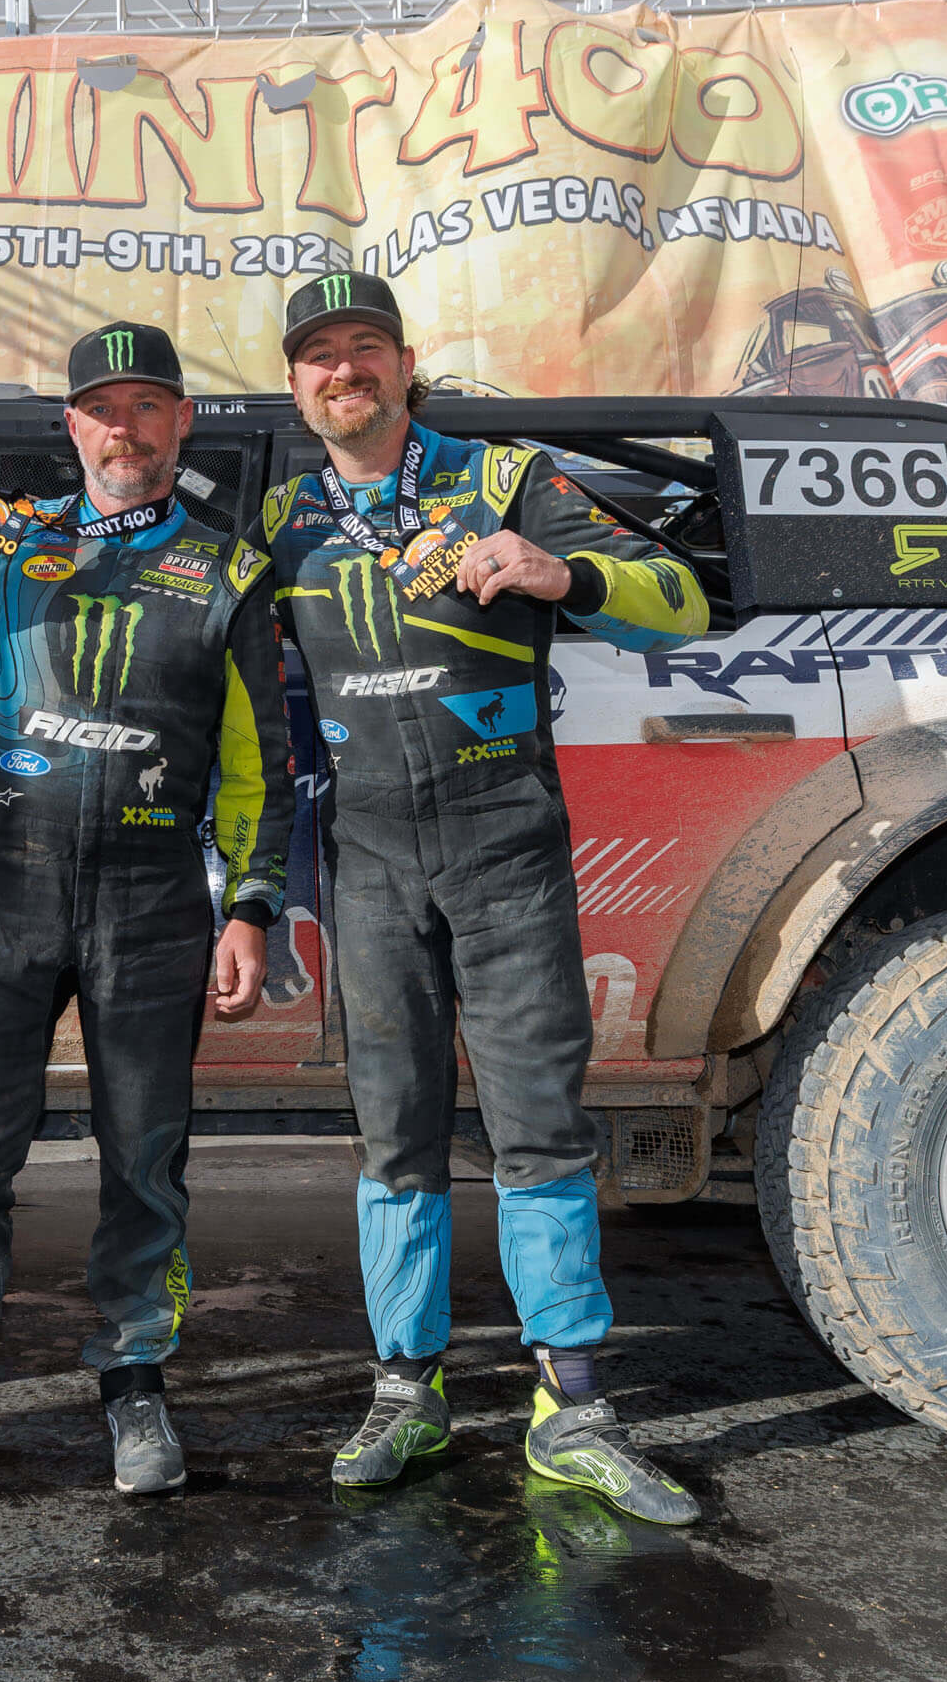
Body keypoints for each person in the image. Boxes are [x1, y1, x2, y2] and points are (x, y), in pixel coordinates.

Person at [258, 270, 714, 1525]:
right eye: (317, 356)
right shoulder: (283, 518)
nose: (341, 370)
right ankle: (407, 1390)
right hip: (368, 861)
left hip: (504, 847)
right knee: (394, 1135)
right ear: (297, 385)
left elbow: (681, 601)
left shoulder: (503, 481)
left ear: (405, 365)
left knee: (537, 1128)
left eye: (363, 349)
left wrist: (558, 574)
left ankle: (576, 1407)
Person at [0, 322, 294, 1526]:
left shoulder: (230, 568)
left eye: (148, 406)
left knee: (145, 1162)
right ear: (72, 427)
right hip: (3, 893)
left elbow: (257, 764)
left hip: (151, 903)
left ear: (180, 422)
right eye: (101, 408)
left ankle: (136, 1383)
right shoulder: (12, 546)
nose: (124, 428)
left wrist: (251, 903)